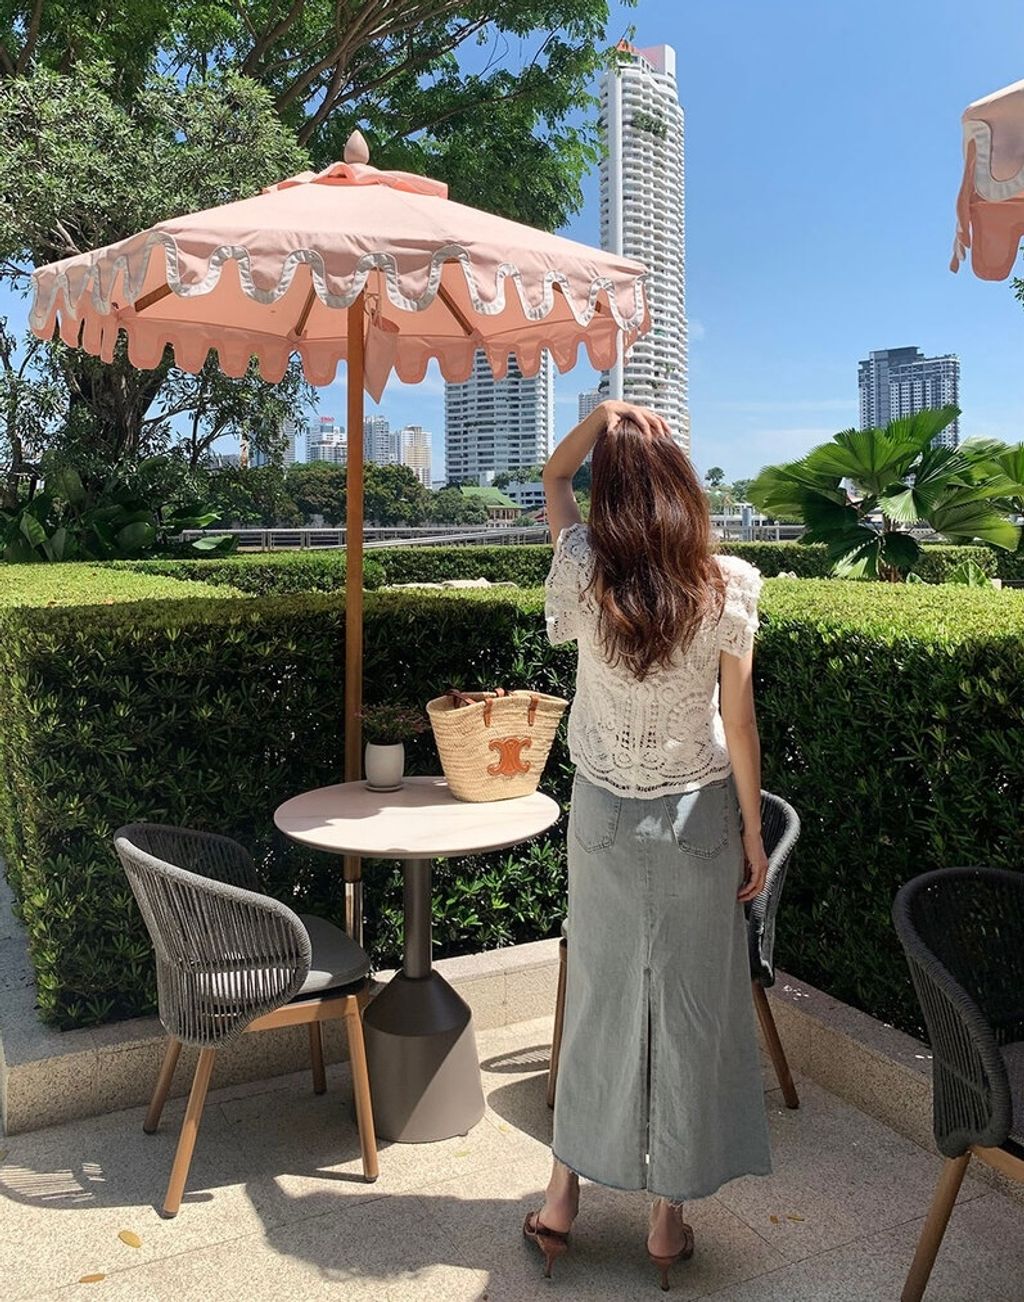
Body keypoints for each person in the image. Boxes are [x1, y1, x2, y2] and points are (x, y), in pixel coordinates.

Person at [523, 399, 772, 1290]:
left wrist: (601, 419)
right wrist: (752, 830)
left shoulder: (584, 568)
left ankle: (562, 1200)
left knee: (597, 1001)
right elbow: (738, 724)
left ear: (613, 490)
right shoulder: (726, 583)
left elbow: (553, 476)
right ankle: (667, 1221)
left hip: (601, 817)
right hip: (697, 818)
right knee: (692, 1009)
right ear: (681, 485)